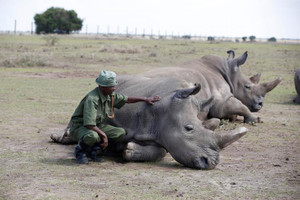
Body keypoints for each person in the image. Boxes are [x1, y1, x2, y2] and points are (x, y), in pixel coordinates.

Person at [70, 70, 160, 164]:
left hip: (96, 126)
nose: (114, 88)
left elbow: (127, 99)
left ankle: (94, 150)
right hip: (81, 126)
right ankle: (80, 151)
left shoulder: (110, 96)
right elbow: (89, 124)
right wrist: (104, 136)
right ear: (102, 87)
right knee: (92, 136)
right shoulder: (92, 99)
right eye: (111, 86)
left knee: (120, 133)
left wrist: (145, 99)